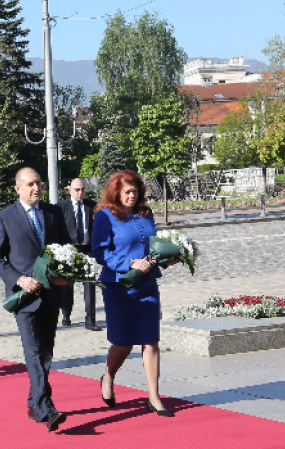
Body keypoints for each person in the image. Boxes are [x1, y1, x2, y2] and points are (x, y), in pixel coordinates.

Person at [0, 167, 70, 432]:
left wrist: (64, 274)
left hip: (51, 294)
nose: (36, 188)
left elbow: (65, 250)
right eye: (31, 184)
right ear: (18, 188)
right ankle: (47, 408)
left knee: (45, 352)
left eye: (39, 183)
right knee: (33, 352)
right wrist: (19, 279)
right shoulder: (4, 218)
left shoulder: (53, 213)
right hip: (24, 297)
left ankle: (34, 402)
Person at [92, 170, 175, 417]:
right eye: (127, 191)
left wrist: (167, 257)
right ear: (116, 192)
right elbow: (100, 252)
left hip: (147, 284)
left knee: (151, 340)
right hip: (119, 287)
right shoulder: (105, 216)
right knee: (124, 341)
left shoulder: (145, 213)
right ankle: (108, 376)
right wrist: (129, 263)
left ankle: (154, 396)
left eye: (135, 191)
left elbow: (152, 244)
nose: (132, 195)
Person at [56, 178, 101, 331]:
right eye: (77, 190)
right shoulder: (61, 207)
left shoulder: (91, 206)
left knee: (90, 285)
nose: (80, 192)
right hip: (69, 251)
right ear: (70, 190)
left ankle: (90, 320)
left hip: (87, 250)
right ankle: (66, 314)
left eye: (82, 189)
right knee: (67, 287)